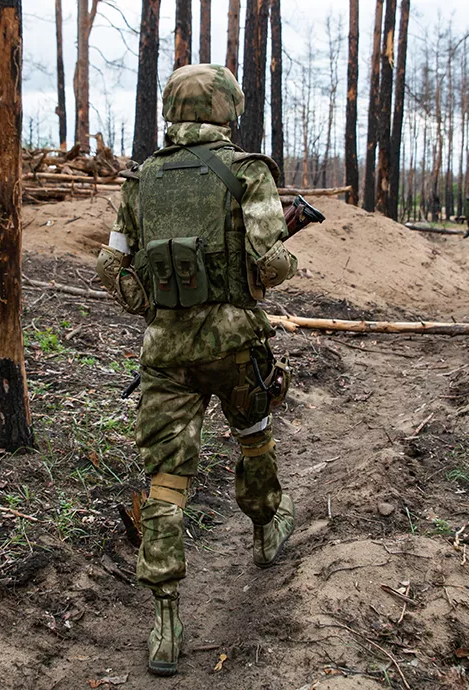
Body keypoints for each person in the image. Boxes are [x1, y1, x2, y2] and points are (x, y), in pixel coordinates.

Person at [95, 64, 299, 677]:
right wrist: (281, 257)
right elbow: (269, 263)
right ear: (229, 110)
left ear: (171, 110)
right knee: (253, 432)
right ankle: (266, 528)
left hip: (165, 351)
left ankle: (164, 621)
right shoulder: (247, 173)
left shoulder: (140, 179)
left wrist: (153, 305)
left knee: (166, 477)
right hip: (235, 343)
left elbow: (112, 265)